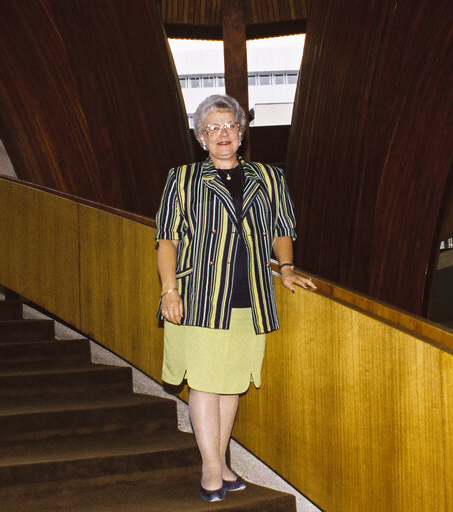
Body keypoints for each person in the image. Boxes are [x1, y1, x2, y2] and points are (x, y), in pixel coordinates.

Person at [155, 94, 315, 502]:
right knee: (206, 384)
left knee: (230, 385)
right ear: (201, 138)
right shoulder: (183, 178)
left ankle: (221, 462)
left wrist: (288, 266)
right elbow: (167, 240)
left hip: (250, 296)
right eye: (213, 128)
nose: (223, 134)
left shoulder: (269, 176)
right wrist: (169, 290)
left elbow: (282, 228)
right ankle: (211, 467)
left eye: (230, 126)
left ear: (242, 133)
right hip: (200, 295)